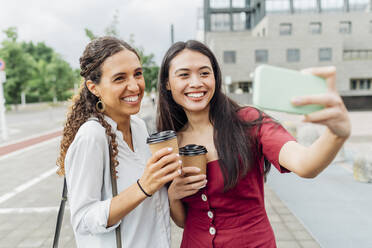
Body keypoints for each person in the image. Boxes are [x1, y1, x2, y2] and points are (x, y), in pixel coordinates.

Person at [156, 40, 350, 247]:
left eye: (204, 73)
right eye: (184, 74)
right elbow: (184, 221)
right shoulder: (169, 142)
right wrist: (173, 196)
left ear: (215, 77)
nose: (196, 82)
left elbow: (305, 164)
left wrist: (336, 134)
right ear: (167, 83)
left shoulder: (249, 122)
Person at [56, 36, 181, 248]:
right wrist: (144, 186)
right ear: (93, 87)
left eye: (138, 74)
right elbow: (83, 220)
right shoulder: (92, 136)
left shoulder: (139, 127)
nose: (134, 86)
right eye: (119, 78)